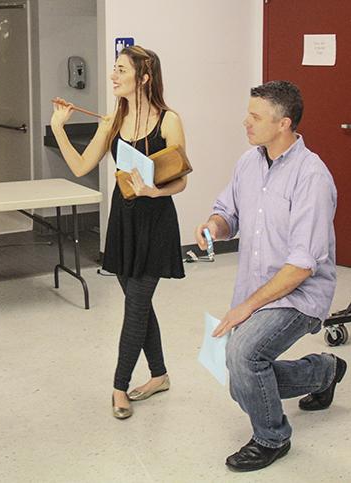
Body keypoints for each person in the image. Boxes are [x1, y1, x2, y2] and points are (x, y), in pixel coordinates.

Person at [195, 80, 343, 472]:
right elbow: (229, 213)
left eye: (255, 116)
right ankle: (324, 371)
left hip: (300, 294)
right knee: (240, 377)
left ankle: (272, 437)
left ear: (284, 124)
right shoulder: (248, 162)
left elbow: (301, 266)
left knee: (244, 358)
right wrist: (214, 224)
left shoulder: (312, 177)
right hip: (258, 287)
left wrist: (245, 307)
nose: (246, 122)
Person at [50, 45, 187, 419]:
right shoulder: (112, 121)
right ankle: (159, 375)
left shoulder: (169, 120)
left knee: (135, 306)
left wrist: (154, 190)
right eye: (114, 68)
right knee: (140, 306)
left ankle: (118, 387)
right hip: (124, 220)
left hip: (155, 220)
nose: (113, 75)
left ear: (144, 78)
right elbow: (80, 167)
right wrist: (59, 128)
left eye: (120, 70)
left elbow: (180, 182)